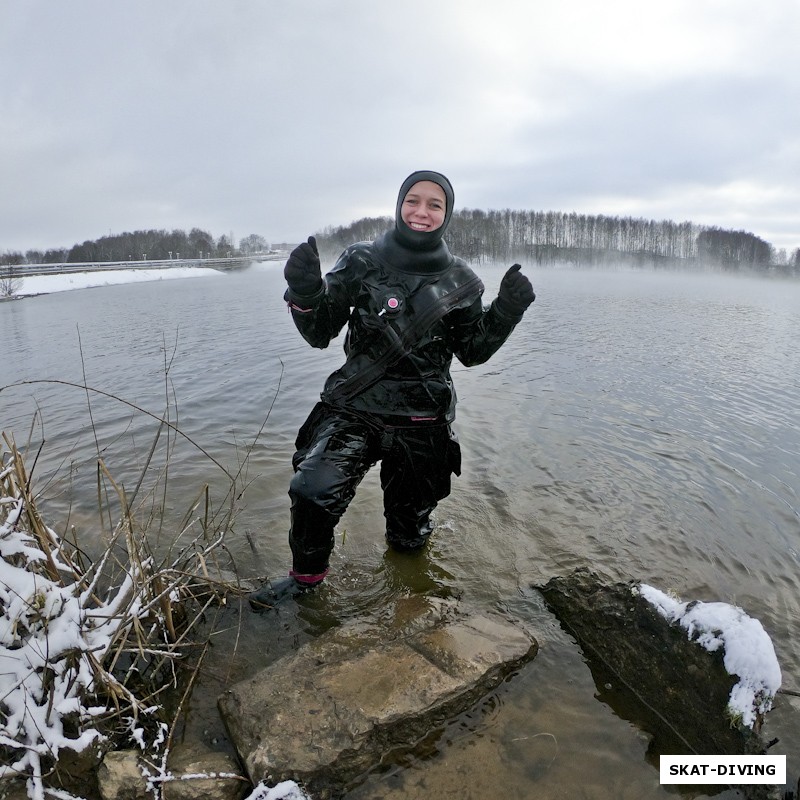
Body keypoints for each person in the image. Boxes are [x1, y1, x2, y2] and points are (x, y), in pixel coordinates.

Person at [250, 170, 535, 608]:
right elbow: (320, 332)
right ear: (399, 205)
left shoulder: (461, 280)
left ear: (447, 214)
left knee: (409, 530)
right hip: (356, 408)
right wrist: (305, 291)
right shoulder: (361, 259)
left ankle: (410, 588)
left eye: (434, 205)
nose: (422, 212)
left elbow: (473, 351)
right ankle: (306, 581)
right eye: (413, 201)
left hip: (423, 419)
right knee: (311, 491)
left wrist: (507, 311)